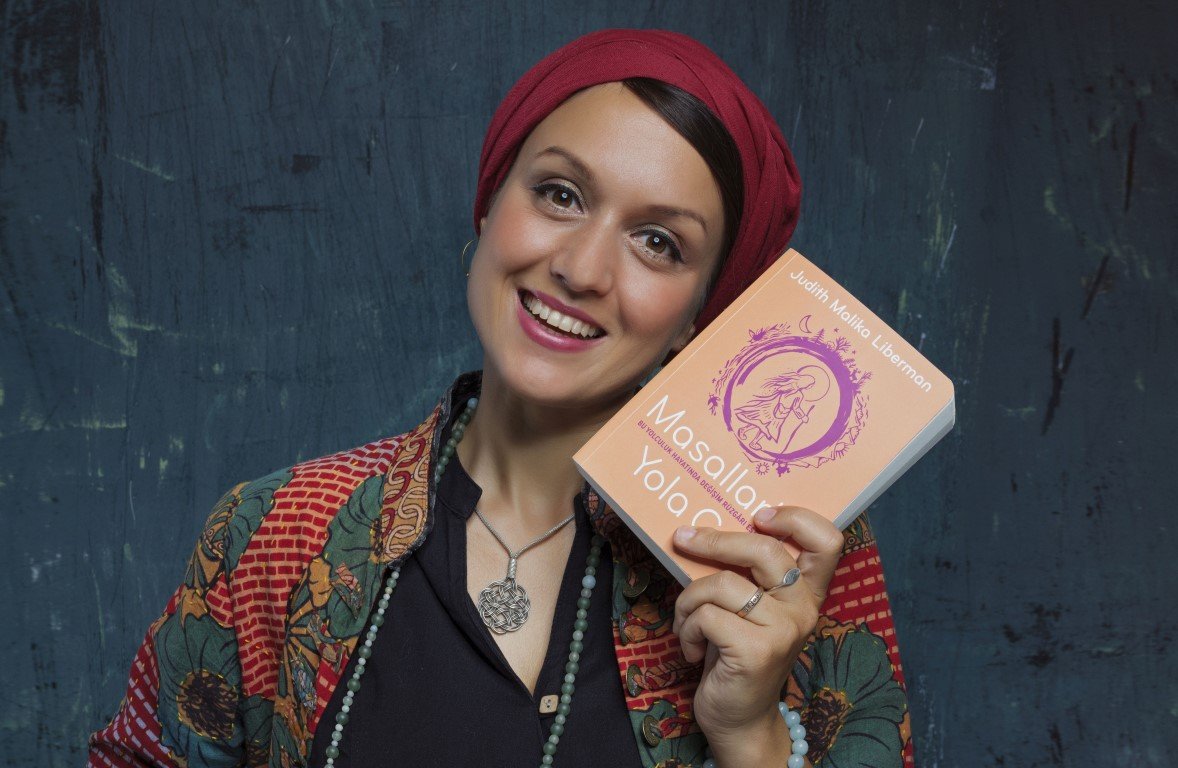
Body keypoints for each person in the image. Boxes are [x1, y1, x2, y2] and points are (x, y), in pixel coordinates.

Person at [89, 29, 912, 768]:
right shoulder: (273, 531)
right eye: (560, 194)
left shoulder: (779, 556)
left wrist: (752, 738)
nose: (582, 269)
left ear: (701, 315)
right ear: (489, 204)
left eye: (658, 243)